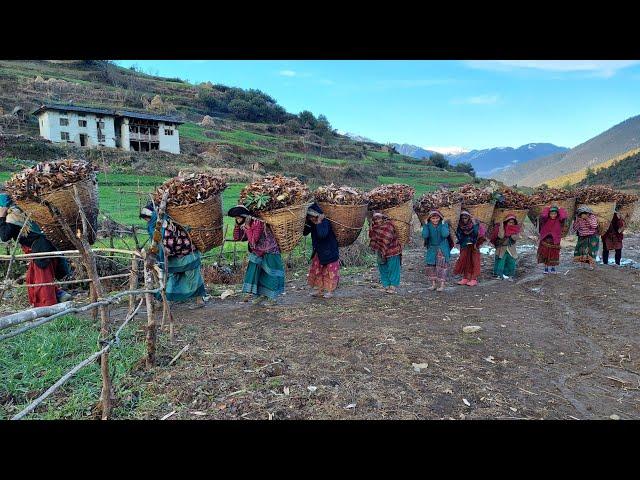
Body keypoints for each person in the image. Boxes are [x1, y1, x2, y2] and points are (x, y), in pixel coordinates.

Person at [0, 192, 72, 307]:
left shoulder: (13, 216)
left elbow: (4, 236)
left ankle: (47, 306)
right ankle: (59, 294)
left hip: (41, 249)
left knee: (41, 279)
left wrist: (1, 216)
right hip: (46, 246)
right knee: (36, 278)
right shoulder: (24, 210)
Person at [140, 203, 206, 308]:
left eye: (147, 218)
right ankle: (170, 299)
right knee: (172, 277)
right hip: (174, 256)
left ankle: (199, 301)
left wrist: (160, 253)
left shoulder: (167, 225)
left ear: (152, 216)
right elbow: (157, 242)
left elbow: (169, 244)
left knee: (192, 277)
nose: (147, 221)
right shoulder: (155, 227)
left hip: (187, 253)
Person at [228, 205, 284, 306]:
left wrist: (248, 227)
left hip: (269, 251)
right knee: (258, 274)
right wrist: (237, 225)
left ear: (245, 216)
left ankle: (272, 298)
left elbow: (253, 241)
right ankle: (261, 296)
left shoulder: (258, 223)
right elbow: (237, 238)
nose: (238, 220)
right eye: (236, 218)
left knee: (270, 274)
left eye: (238, 218)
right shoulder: (244, 223)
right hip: (258, 252)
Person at [303, 203, 340, 298]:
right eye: (309, 217)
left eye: (312, 216)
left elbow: (322, 234)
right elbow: (304, 233)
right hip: (319, 251)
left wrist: (319, 221)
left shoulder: (324, 222)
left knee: (330, 271)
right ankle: (319, 290)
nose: (311, 218)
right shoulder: (312, 223)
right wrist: (305, 222)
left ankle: (330, 291)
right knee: (317, 270)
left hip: (330, 251)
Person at [369, 211, 402, 294]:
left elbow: (387, 238)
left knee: (393, 268)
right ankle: (386, 285)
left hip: (392, 250)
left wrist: (383, 247)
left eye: (379, 218)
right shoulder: (374, 227)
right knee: (382, 267)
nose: (377, 220)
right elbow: (372, 237)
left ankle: (393, 286)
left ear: (383, 218)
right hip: (380, 250)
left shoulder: (389, 225)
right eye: (375, 219)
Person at [453, 210, 486, 287]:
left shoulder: (474, 224)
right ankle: (465, 277)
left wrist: (475, 225)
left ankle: (473, 278)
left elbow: (476, 234)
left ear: (469, 218)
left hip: (474, 245)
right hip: (465, 246)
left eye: (466, 218)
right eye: (462, 218)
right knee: (465, 260)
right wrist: (465, 241)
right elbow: (459, 235)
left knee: (474, 261)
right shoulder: (460, 226)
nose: (464, 220)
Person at [422, 209, 452, 292]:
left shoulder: (443, 224)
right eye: (433, 218)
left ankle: (442, 285)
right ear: (430, 219)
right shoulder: (428, 225)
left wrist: (443, 224)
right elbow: (425, 235)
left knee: (442, 267)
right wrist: (425, 225)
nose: (435, 220)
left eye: (437, 218)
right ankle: (433, 284)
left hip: (442, 248)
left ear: (440, 218)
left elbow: (445, 234)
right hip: (432, 248)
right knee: (431, 266)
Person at [536, 205, 567, 274]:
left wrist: (560, 208)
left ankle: (553, 268)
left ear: (557, 214)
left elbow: (564, 216)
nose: (553, 215)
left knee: (554, 254)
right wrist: (547, 208)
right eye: (551, 214)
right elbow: (543, 215)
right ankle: (546, 268)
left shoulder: (559, 220)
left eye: (555, 214)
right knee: (545, 253)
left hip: (555, 240)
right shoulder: (546, 219)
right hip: (546, 239)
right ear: (549, 214)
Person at [490, 213, 521, 279]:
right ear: (506, 222)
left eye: (513, 223)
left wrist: (512, 232)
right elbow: (500, 236)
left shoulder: (516, 229)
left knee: (511, 261)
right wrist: (502, 226)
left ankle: (510, 274)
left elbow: (515, 238)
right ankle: (499, 275)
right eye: (509, 222)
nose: (511, 224)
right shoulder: (502, 228)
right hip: (502, 248)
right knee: (501, 261)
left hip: (511, 249)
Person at [572, 205, 599, 270]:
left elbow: (594, 225)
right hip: (582, 236)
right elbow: (575, 228)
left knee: (591, 251)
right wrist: (577, 221)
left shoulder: (592, 217)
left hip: (592, 237)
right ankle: (582, 265)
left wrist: (587, 219)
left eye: (586, 213)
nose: (584, 214)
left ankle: (591, 265)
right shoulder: (578, 218)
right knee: (581, 251)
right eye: (582, 213)